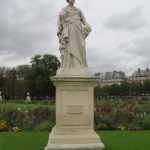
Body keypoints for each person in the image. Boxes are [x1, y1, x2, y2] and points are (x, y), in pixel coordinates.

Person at [57, 0, 91, 69]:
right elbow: (61, 20)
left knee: (82, 46)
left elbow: (84, 20)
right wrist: (62, 17)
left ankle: (82, 65)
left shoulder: (78, 10)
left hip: (78, 29)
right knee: (69, 46)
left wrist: (88, 26)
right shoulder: (65, 9)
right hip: (69, 29)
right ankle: (70, 66)